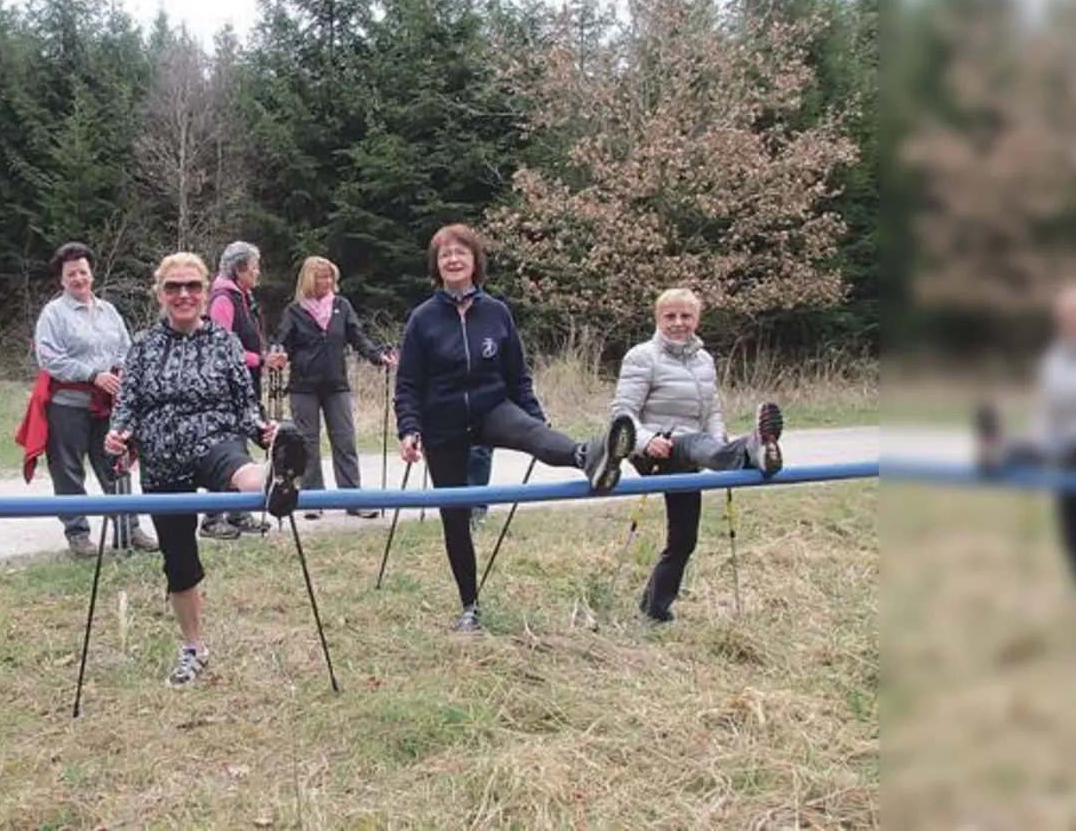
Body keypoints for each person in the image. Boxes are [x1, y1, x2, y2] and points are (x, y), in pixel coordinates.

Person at [395, 223, 636, 634]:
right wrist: (409, 429)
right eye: (445, 254)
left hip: (491, 406)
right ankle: (470, 607)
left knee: (533, 434)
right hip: (442, 422)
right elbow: (408, 385)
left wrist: (535, 416)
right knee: (455, 516)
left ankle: (590, 456)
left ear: (475, 261)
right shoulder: (422, 319)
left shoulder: (497, 312)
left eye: (460, 252)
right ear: (436, 266)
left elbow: (517, 375)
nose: (453, 259)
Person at [104, 252, 307, 687]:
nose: (184, 294)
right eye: (173, 287)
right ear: (160, 294)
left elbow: (244, 405)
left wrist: (264, 431)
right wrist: (118, 436)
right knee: (179, 562)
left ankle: (275, 477)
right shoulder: (142, 346)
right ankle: (194, 647)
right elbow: (126, 405)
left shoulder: (224, 342)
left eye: (192, 286)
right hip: (161, 458)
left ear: (204, 291)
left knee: (239, 471)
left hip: (215, 441)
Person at [612, 287, 784, 623]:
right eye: (670, 316)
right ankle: (753, 449)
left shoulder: (704, 360)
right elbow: (622, 413)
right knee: (699, 444)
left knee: (684, 539)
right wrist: (645, 441)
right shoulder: (641, 356)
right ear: (658, 319)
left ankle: (655, 610)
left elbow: (712, 411)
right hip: (657, 451)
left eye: (686, 316)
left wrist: (719, 439)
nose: (678, 322)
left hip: (693, 452)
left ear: (697, 319)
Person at [21, 242, 157, 557]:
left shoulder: (108, 311)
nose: (79, 279)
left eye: (83, 272)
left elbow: (126, 347)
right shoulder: (53, 314)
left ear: (91, 274)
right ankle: (78, 533)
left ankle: (128, 528)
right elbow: (49, 358)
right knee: (68, 470)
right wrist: (93, 374)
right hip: (67, 406)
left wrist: (121, 369)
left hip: (107, 406)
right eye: (71, 274)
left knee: (115, 465)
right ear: (62, 279)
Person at [270, 256, 396, 521]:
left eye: (330, 277)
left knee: (345, 440)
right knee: (307, 444)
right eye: (321, 277)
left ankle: (352, 499)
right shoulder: (294, 311)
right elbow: (283, 343)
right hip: (303, 387)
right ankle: (312, 500)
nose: (327, 282)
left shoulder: (341, 306)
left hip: (336, 384)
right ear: (308, 280)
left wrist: (376, 356)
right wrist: (278, 357)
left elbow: (357, 336)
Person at [975, 282, 1076, 589]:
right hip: (1061, 445)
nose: (1071, 325)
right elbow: (1047, 411)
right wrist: (1038, 440)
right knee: (1071, 534)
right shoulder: (1055, 359)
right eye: (1066, 319)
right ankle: (998, 448)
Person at [200, 240, 280, 540]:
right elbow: (220, 347)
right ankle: (212, 518)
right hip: (225, 389)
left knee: (240, 446)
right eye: (254, 267)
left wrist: (262, 358)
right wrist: (260, 359)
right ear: (239, 269)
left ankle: (237, 512)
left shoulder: (243, 297)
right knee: (226, 448)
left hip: (244, 384)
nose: (257, 273)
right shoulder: (223, 299)